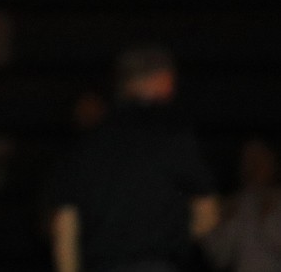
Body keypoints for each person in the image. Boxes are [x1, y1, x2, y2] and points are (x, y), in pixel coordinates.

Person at [49, 45, 220, 272]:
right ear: (163, 79)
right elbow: (207, 214)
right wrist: (170, 235)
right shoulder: (173, 137)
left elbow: (65, 223)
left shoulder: (88, 141)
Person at [203, 137, 281, 272]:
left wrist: (267, 218)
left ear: (273, 160)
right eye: (248, 160)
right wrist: (227, 221)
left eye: (259, 159)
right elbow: (220, 258)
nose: (253, 167)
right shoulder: (237, 203)